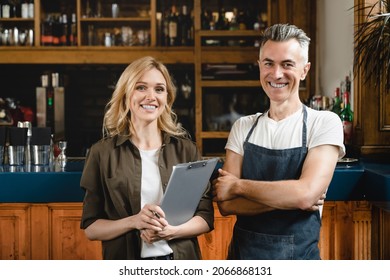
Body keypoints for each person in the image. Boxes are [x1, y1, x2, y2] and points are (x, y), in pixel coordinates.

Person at [212, 23, 345, 260]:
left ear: (304, 70)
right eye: (269, 63)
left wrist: (239, 186)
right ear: (259, 67)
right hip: (242, 261)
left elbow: (305, 195)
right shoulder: (243, 127)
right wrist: (292, 198)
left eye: (287, 64)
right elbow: (227, 203)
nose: (276, 74)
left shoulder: (324, 123)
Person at [80, 56, 214, 260]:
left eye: (159, 89)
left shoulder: (186, 150)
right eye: (141, 87)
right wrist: (134, 221)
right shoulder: (102, 153)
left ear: (167, 98)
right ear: (126, 94)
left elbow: (205, 217)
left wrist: (171, 231)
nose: (151, 96)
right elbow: (91, 228)